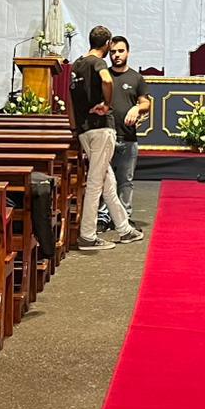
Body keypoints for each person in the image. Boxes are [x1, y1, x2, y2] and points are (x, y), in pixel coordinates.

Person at [72, 25, 143, 250]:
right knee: (95, 184)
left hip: (83, 129)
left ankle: (124, 229)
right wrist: (107, 104)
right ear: (107, 44)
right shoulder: (99, 63)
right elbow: (107, 80)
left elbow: (70, 99)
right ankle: (87, 236)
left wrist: (75, 128)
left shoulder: (77, 65)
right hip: (100, 128)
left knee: (108, 181)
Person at [103, 35, 151, 230]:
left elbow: (146, 102)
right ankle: (103, 217)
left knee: (126, 181)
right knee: (104, 181)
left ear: (128, 52)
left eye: (120, 51)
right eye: (113, 52)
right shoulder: (104, 76)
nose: (116, 55)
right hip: (106, 137)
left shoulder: (136, 78)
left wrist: (137, 108)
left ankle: (124, 217)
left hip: (128, 137)